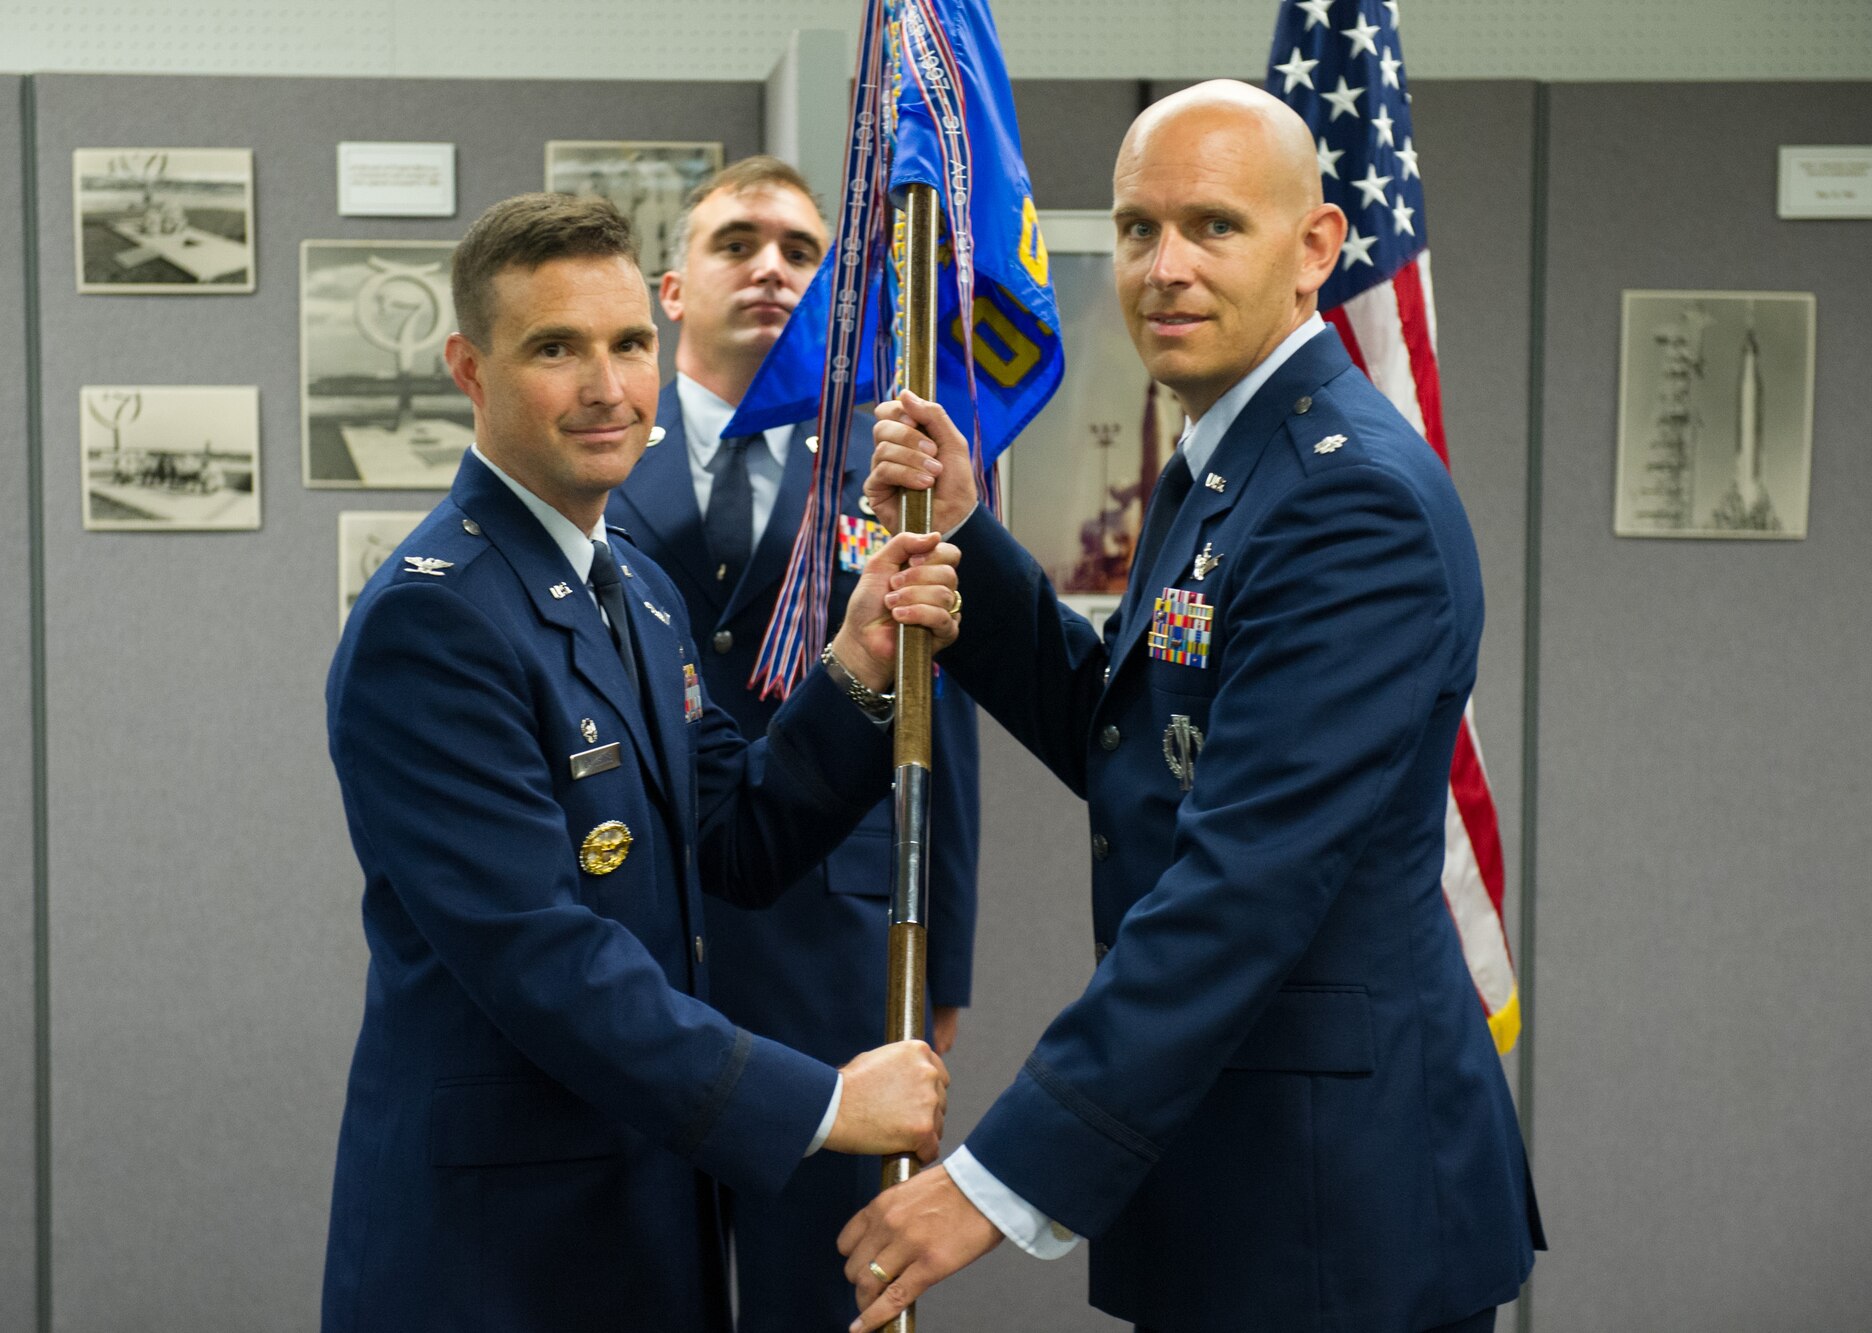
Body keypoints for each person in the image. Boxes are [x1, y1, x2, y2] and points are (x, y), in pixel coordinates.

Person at [839, 81, 1542, 1333]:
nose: (1163, 268)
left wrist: (994, 1179)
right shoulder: (1232, 458)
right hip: (1244, 1171)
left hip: (1328, 1206)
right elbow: (1140, 743)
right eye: (1133, 230)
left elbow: (1240, 884)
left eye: (1212, 226)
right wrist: (964, 533)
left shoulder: (1344, 502)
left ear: (1314, 248)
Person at [321, 192, 967, 1333]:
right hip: (501, 1245)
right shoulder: (436, 622)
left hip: (640, 1206)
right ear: (468, 368)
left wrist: (858, 668)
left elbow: (738, 833)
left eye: (627, 344)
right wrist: (818, 1101)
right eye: (554, 349)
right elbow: (542, 958)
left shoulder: (635, 586)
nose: (606, 388)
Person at [607, 155, 983, 1333]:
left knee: (818, 1298)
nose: (769, 267)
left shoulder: (886, 478)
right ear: (672, 288)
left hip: (837, 954)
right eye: (735, 243)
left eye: (801, 252)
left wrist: (944, 974)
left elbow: (943, 734)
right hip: (653, 937)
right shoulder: (599, 459)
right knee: (638, 1278)